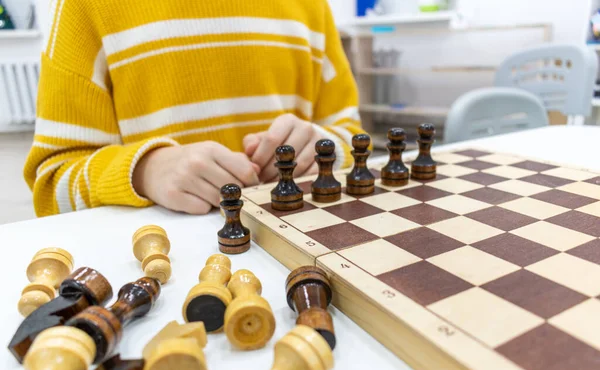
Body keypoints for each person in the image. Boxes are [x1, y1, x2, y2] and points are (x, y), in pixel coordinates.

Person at [23, 0, 365, 217]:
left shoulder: (313, 6)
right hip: (158, 273)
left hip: (302, 248)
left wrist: (323, 148)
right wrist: (144, 171)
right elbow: (51, 186)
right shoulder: (81, 7)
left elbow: (352, 136)